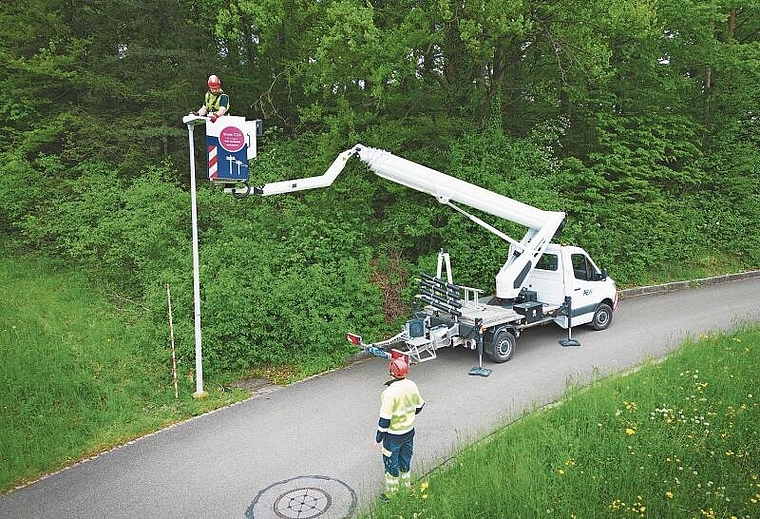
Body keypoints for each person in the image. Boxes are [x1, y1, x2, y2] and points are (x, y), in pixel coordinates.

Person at [375, 357, 425, 499]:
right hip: (409, 432)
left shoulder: (389, 393)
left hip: (393, 436)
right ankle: (406, 488)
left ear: (391, 372)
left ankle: (391, 494)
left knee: (391, 463)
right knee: (405, 460)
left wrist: (378, 438)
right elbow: (419, 406)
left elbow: (385, 420)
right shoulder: (412, 385)